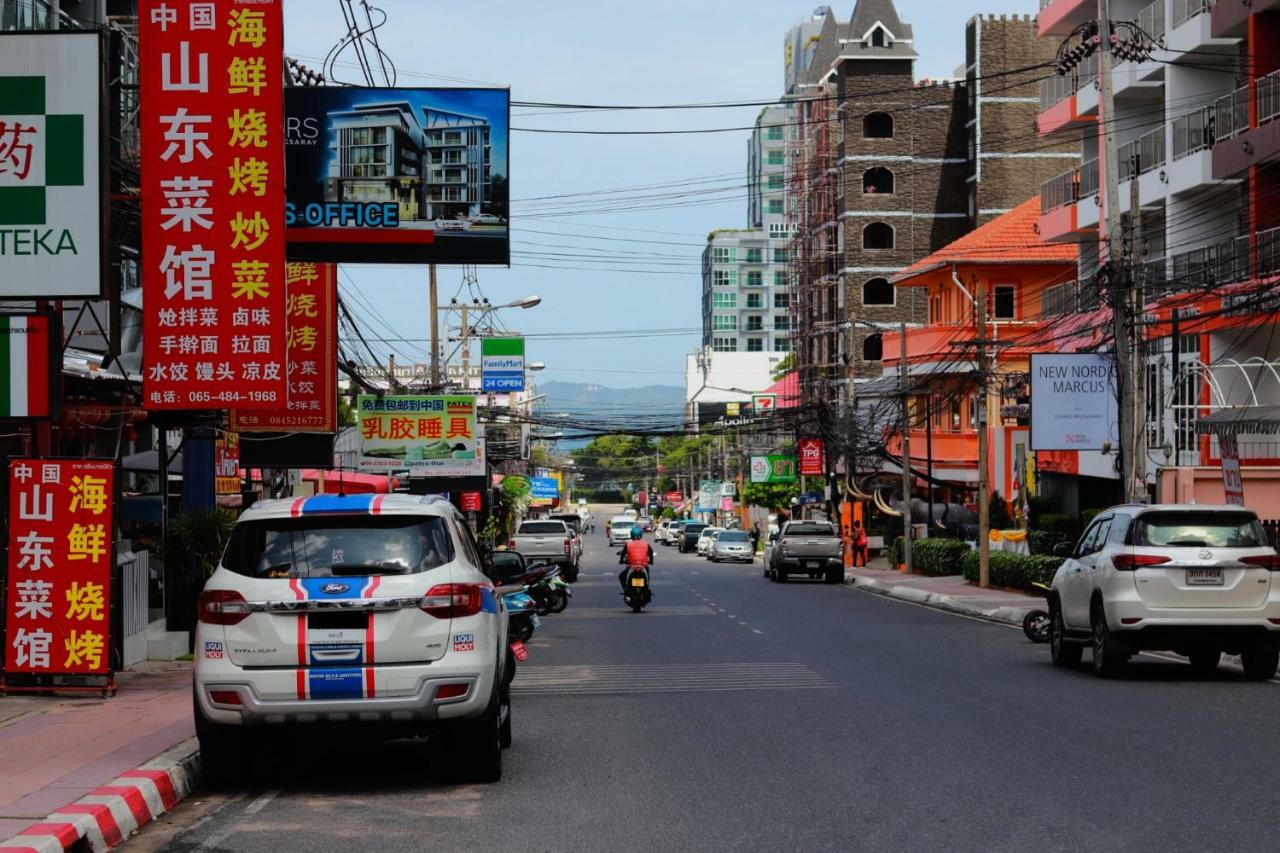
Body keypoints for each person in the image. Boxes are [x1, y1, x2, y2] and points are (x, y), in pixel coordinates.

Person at [618, 525, 653, 592]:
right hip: (643, 565)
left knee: (621, 576)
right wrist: (651, 561)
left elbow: (623, 554)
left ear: (631, 535)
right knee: (647, 574)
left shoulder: (628, 544)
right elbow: (651, 553)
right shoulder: (646, 544)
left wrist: (621, 561)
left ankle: (625, 589)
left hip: (632, 565)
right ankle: (647, 586)